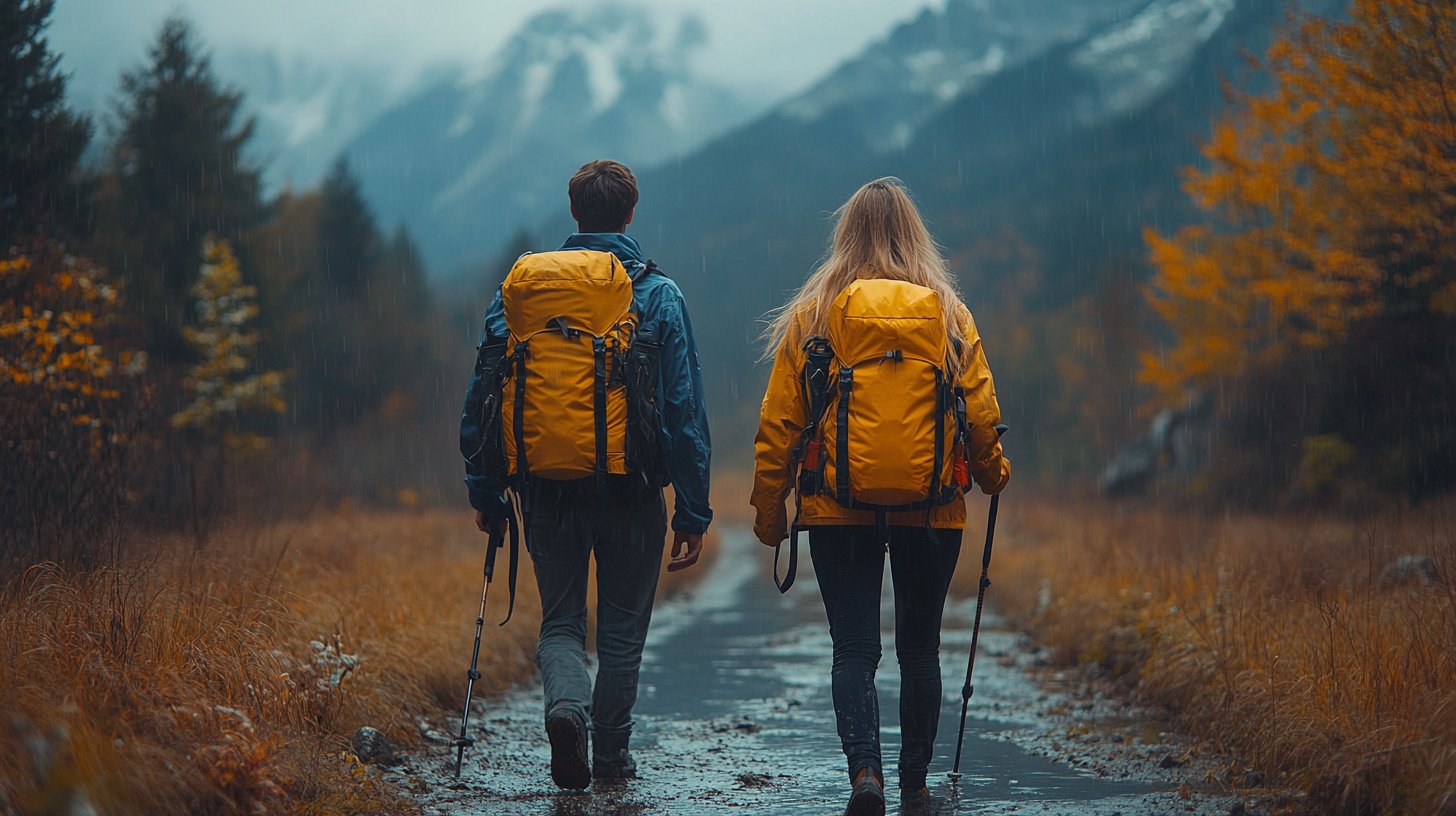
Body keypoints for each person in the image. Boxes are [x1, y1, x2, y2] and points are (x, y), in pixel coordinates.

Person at [751, 178, 1010, 816]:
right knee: (920, 646)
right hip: (933, 507)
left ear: (846, 234)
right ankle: (915, 783)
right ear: (915, 233)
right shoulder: (947, 313)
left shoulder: (816, 312)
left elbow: (780, 423)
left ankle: (865, 773)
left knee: (854, 650)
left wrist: (769, 510)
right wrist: (992, 473)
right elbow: (979, 415)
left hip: (837, 508)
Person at [459, 159, 713, 789]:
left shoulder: (519, 295)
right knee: (623, 634)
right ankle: (611, 759)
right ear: (630, 213)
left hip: (545, 486)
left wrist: (486, 489)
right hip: (632, 491)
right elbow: (684, 410)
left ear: (574, 215)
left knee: (563, 622)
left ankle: (566, 709)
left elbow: (483, 396)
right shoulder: (657, 294)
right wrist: (693, 509)